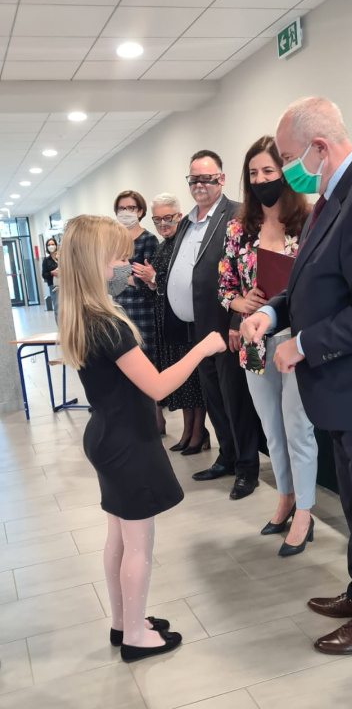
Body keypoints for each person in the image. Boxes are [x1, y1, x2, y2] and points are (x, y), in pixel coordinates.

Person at [241, 96, 352, 656]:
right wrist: (272, 314)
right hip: (343, 393)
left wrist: (303, 345)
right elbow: (310, 283)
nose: (285, 171)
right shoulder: (331, 197)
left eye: (287, 159)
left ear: (318, 147)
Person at [58, 214, 225, 664]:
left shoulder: (81, 315)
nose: (126, 265)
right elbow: (158, 386)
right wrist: (203, 347)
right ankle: (135, 635)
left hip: (107, 435)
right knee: (138, 544)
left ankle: (123, 622)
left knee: (118, 536)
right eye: (119, 257)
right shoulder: (108, 325)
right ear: (95, 262)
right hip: (127, 442)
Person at [219, 136, 318, 556]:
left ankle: (306, 512)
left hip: (297, 342)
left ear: (285, 175)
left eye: (269, 171)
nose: (261, 180)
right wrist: (240, 302)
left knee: (299, 429)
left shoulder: (310, 221)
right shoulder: (239, 227)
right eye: (254, 173)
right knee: (272, 430)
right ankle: (285, 497)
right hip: (255, 340)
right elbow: (225, 286)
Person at [165, 149, 261, 500]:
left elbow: (247, 272)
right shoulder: (187, 222)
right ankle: (227, 458)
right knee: (214, 398)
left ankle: (247, 469)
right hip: (197, 327)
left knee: (235, 399)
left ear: (221, 179)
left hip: (226, 326)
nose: (199, 184)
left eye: (207, 178)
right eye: (194, 179)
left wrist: (237, 319)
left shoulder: (237, 214)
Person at [149, 193, 208, 453]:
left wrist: (155, 278)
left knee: (192, 377)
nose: (163, 224)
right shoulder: (162, 246)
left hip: (184, 321)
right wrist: (151, 281)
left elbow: (186, 280)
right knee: (180, 379)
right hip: (167, 321)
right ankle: (187, 430)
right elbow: (160, 284)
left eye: (168, 218)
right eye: (157, 219)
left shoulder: (184, 243)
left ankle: (199, 431)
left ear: (179, 216)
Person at [113, 189, 158, 363]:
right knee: (123, 360)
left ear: (140, 212)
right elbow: (110, 282)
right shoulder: (114, 242)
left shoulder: (148, 240)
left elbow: (147, 282)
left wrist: (120, 275)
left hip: (142, 311)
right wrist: (130, 277)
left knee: (145, 360)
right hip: (118, 309)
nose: (125, 212)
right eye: (121, 208)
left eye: (130, 208)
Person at [41, 237, 59, 324]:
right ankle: (61, 327)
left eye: (52, 244)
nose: (51, 246)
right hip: (54, 286)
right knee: (57, 307)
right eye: (49, 245)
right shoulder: (46, 260)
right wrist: (51, 273)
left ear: (56, 245)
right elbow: (44, 274)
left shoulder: (61, 257)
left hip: (65, 285)